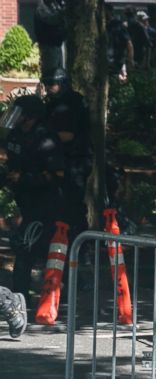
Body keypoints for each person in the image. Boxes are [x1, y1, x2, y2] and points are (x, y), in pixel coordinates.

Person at [1, 95, 65, 301]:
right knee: (26, 247)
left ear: (31, 116)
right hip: (23, 200)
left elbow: (57, 175)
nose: (15, 117)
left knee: (35, 248)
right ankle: (21, 295)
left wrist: (26, 178)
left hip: (45, 203)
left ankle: (58, 292)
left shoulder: (46, 139)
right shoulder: (14, 136)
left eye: (20, 113)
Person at [42, 68, 91, 238]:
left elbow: (68, 135)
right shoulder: (53, 103)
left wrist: (43, 137)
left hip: (75, 160)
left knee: (73, 205)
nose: (47, 87)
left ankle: (81, 246)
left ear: (62, 83)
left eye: (51, 84)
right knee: (58, 205)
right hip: (60, 160)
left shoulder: (72, 103)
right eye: (45, 84)